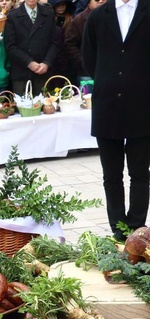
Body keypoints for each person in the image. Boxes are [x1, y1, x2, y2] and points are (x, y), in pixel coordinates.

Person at [82, 0, 150, 241]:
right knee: (111, 174)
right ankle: (118, 228)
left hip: (142, 105)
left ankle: (137, 227)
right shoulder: (99, 16)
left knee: (140, 172)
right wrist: (108, 78)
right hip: (107, 104)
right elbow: (89, 57)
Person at [3, 0, 58, 96]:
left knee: (43, 106)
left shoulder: (48, 13)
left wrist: (47, 62)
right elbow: (10, 46)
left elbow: (55, 42)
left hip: (42, 71)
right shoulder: (13, 16)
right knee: (22, 107)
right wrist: (29, 62)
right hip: (21, 71)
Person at [64, 0, 105, 85]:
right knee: (87, 97)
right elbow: (70, 44)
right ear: (88, 2)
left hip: (109, 70)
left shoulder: (113, 17)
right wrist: (83, 62)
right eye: (96, 0)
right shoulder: (78, 20)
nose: (101, 1)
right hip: (86, 73)